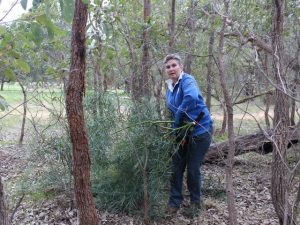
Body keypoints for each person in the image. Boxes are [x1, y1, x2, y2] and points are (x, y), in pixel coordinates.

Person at [164, 53, 213, 213]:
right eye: (168, 67)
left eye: (174, 65)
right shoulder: (169, 88)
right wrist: (173, 129)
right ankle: (174, 202)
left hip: (201, 131)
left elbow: (191, 97)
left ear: (181, 67)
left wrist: (177, 118)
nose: (171, 69)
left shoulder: (187, 80)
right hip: (182, 134)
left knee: (192, 168)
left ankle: (195, 204)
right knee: (176, 166)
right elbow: (171, 110)